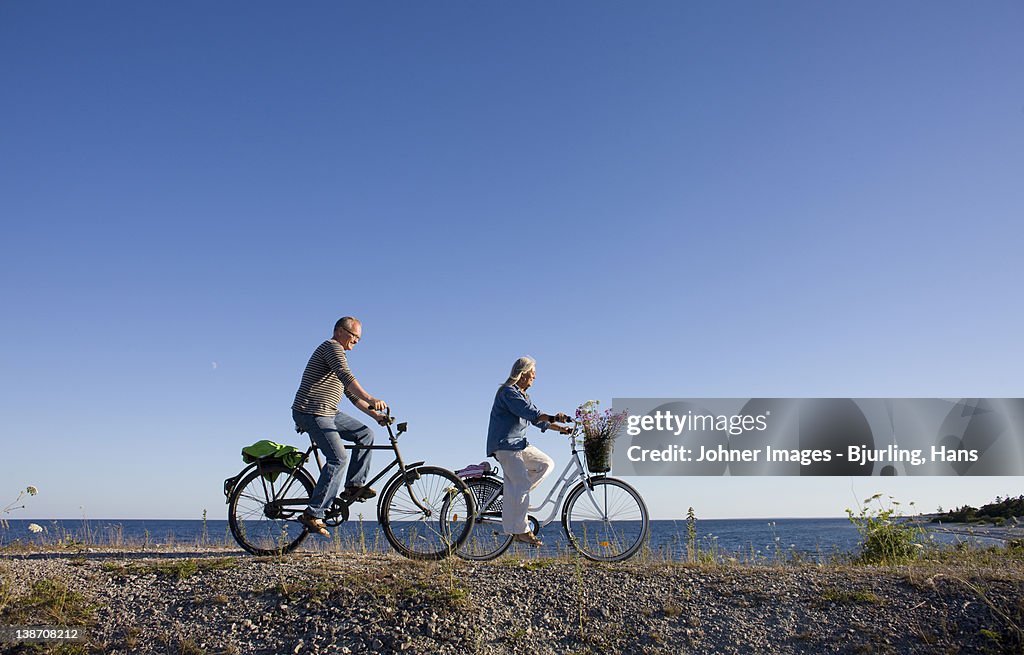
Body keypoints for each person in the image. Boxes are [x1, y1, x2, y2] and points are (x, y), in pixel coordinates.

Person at [292, 316, 389, 537]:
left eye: (359, 338)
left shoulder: (339, 356)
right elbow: (347, 377)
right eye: (354, 335)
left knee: (365, 434)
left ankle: (353, 485)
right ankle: (313, 513)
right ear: (339, 331)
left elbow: (351, 395)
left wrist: (375, 416)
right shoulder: (331, 347)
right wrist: (371, 397)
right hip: (310, 410)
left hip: (328, 412)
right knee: (338, 458)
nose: (356, 341)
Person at [486, 356, 572, 546]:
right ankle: (521, 530)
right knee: (521, 484)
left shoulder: (523, 394)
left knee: (545, 464)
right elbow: (531, 414)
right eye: (532, 373)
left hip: (519, 444)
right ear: (523, 374)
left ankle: (515, 497)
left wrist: (562, 428)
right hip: (505, 444)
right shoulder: (508, 393)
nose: (534, 377)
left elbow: (537, 420)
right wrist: (554, 416)